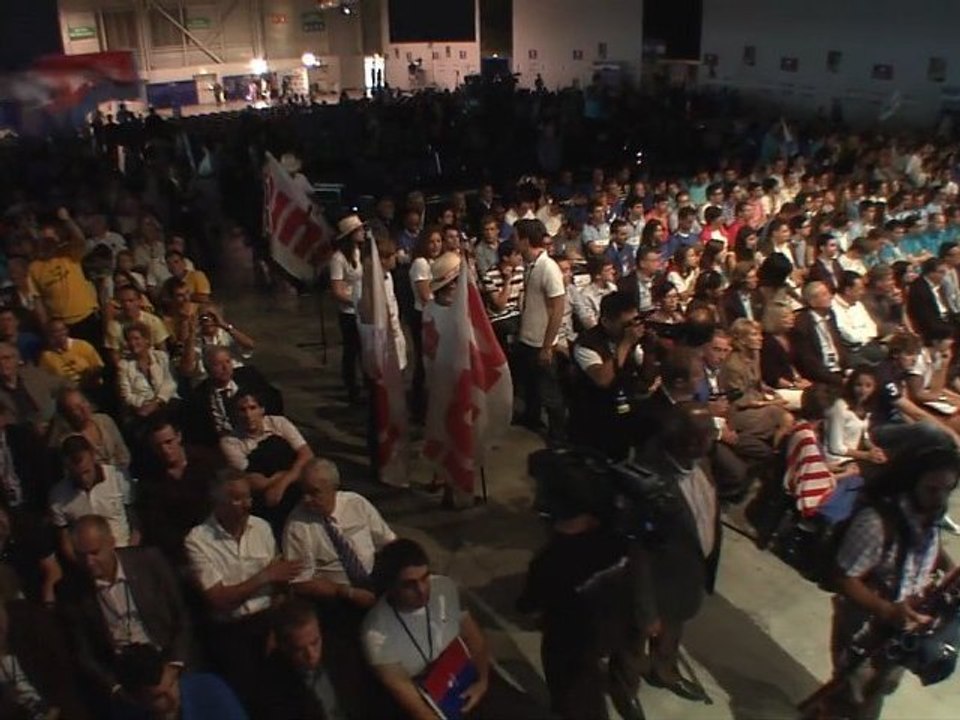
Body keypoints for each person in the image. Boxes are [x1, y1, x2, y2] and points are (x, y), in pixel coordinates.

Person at [823, 443, 958, 720]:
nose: (940, 499)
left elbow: (924, 546)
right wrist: (887, 611)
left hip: (900, 631)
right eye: (932, 490)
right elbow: (843, 578)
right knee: (851, 697)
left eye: (948, 490)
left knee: (877, 692)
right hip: (865, 633)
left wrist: (949, 568)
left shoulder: (927, 514)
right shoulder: (875, 523)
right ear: (912, 482)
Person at [610, 403, 721, 709]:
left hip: (685, 577)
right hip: (654, 584)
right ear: (682, 439)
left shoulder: (701, 462)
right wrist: (646, 612)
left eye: (709, 433)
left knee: (673, 632)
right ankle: (625, 691)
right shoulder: (646, 479)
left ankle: (664, 670)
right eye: (703, 435)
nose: (709, 441)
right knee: (633, 644)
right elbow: (637, 554)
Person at [362, 538, 548, 720]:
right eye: (409, 585)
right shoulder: (376, 633)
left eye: (424, 578)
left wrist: (482, 681)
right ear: (391, 586)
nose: (422, 590)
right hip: (427, 697)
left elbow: (473, 637)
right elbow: (413, 704)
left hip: (463, 674)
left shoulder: (443, 588)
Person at [183, 471, 302, 706]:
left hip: (269, 619)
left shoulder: (262, 528)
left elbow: (280, 583)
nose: (246, 505)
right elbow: (218, 598)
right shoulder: (197, 541)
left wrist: (276, 627)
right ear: (219, 502)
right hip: (232, 629)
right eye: (237, 499)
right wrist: (264, 576)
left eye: (248, 497)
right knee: (251, 697)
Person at [55, 515, 194, 714]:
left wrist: (173, 667)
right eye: (80, 555)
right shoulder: (71, 591)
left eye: (95, 553)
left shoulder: (149, 561)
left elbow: (182, 617)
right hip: (124, 675)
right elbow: (84, 653)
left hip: (167, 658)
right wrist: (115, 687)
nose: (88, 562)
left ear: (111, 543)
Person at [568, 291, 647, 460]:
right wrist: (625, 344)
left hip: (626, 409)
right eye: (626, 324)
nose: (632, 328)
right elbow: (602, 379)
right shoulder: (586, 344)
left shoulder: (634, 338)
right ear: (606, 321)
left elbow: (643, 368)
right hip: (595, 417)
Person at [221, 391, 313, 533]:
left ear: (262, 409)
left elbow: (307, 455)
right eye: (242, 410)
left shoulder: (279, 423)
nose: (248, 415)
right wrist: (287, 473)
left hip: (294, 484)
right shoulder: (230, 442)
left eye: (253, 408)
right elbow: (254, 481)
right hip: (264, 497)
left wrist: (282, 484)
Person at [136, 419, 217, 569]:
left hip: (215, 536)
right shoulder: (149, 480)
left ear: (179, 436)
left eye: (168, 442)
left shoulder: (206, 460)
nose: (165, 450)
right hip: (181, 551)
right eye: (158, 446)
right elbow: (156, 525)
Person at [255, 599, 352, 720]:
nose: (311, 655)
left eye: (315, 642)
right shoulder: (271, 686)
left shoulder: (341, 652)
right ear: (284, 647)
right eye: (300, 649)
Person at [515, 219, 566, 443]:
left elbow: (558, 308)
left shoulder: (548, 268)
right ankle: (531, 417)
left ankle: (558, 435)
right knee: (531, 386)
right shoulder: (529, 265)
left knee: (549, 391)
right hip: (528, 337)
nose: (513, 241)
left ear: (525, 240)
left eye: (516, 237)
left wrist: (547, 346)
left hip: (541, 342)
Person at [48, 435, 136, 560]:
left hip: (124, 552)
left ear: (93, 456)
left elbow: (135, 524)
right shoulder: (58, 496)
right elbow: (65, 541)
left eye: (86, 472)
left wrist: (131, 553)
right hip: (88, 561)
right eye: (77, 475)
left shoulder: (117, 478)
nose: (84, 479)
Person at [112, 643, 247, 720]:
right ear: (135, 699)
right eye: (158, 697)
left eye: (172, 684)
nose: (172, 697)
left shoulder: (209, 689)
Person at [185, 345, 282, 446]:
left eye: (228, 362)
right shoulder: (199, 397)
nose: (225, 368)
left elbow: (273, 400)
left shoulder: (250, 377)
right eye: (218, 364)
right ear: (207, 369)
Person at [47, 388, 130, 472]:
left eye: (83, 401)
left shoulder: (105, 420)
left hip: (122, 474)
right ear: (68, 415)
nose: (83, 408)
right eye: (76, 408)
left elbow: (123, 453)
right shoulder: (69, 441)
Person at [330, 216, 365, 404]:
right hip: (349, 312)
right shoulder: (338, 258)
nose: (363, 233)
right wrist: (355, 301)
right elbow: (337, 291)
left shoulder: (359, 252)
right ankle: (352, 388)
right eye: (359, 230)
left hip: (362, 309)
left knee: (364, 349)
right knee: (351, 350)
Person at [116, 323, 178, 424]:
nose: (132, 343)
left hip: (165, 402)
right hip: (141, 408)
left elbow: (170, 382)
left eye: (136, 339)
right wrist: (145, 404)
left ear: (146, 340)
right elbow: (126, 396)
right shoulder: (124, 365)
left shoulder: (161, 356)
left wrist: (156, 403)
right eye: (129, 340)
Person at [825, 367, 887, 466]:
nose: (863, 390)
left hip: (855, 457)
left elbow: (864, 436)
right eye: (858, 385)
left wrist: (874, 449)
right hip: (837, 461)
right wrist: (866, 455)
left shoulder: (866, 407)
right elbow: (836, 447)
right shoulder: (840, 407)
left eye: (868, 386)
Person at [792, 281, 848, 387]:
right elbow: (809, 363)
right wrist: (838, 380)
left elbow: (839, 344)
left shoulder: (830, 315)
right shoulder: (802, 324)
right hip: (820, 376)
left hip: (839, 369)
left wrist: (848, 370)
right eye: (824, 294)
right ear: (812, 302)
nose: (830, 297)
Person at [832, 271, 886, 366]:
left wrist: (863, 334)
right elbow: (850, 336)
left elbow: (873, 328)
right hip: (851, 352)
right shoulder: (833, 307)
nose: (863, 292)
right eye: (860, 289)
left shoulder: (858, 304)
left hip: (869, 345)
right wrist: (865, 335)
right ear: (848, 290)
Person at [38, 319, 104, 392]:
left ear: (67, 330)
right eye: (55, 332)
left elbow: (98, 366)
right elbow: (47, 381)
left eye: (62, 330)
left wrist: (89, 375)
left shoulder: (82, 345)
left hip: (92, 387)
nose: (60, 334)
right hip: (69, 392)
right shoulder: (46, 357)